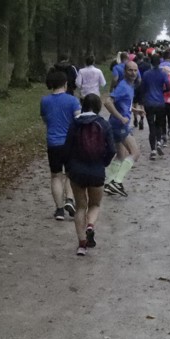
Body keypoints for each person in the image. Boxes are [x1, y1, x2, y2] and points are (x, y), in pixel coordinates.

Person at [64, 93, 115, 255]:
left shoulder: (75, 123)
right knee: (95, 204)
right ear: (98, 107)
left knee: (80, 206)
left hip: (77, 171)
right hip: (96, 170)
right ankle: (90, 226)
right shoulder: (104, 124)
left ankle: (81, 244)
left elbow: (67, 148)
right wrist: (103, 163)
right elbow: (112, 150)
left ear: (83, 105)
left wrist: (69, 167)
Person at [40, 68, 80, 220]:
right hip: (70, 143)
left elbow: (45, 119)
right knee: (70, 174)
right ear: (65, 83)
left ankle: (59, 210)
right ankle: (69, 199)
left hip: (53, 143)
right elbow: (78, 120)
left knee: (56, 176)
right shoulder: (72, 101)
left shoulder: (45, 101)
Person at [103, 61, 138, 196]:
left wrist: (134, 110)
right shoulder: (123, 86)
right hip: (119, 125)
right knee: (135, 153)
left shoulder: (130, 85)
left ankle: (109, 183)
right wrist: (121, 118)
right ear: (125, 71)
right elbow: (108, 102)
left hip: (115, 124)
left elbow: (123, 103)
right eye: (130, 70)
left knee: (121, 154)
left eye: (135, 70)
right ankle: (117, 182)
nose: (133, 73)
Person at [141, 56, 170, 159]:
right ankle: (159, 142)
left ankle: (153, 150)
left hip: (149, 103)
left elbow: (142, 88)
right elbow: (168, 87)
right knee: (159, 124)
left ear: (151, 63)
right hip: (160, 103)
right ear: (159, 63)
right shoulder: (163, 74)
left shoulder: (146, 74)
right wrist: (162, 91)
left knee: (151, 126)